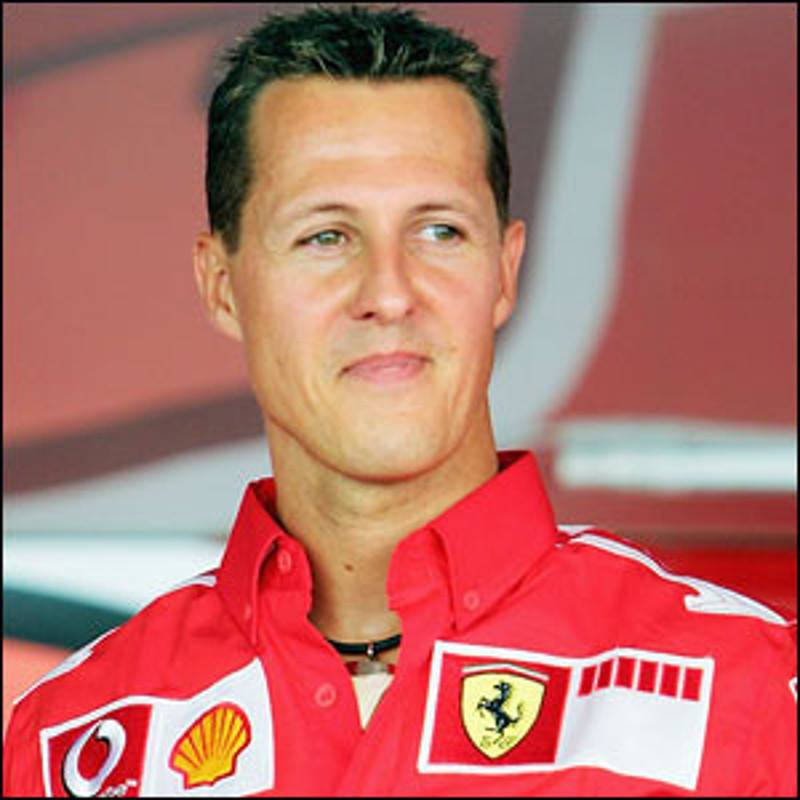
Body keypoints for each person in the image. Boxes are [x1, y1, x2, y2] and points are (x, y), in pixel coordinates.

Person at [3, 5, 796, 796]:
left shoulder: (746, 694)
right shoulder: (69, 739)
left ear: (505, 270)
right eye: (325, 236)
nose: (388, 293)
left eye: (439, 231)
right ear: (221, 286)